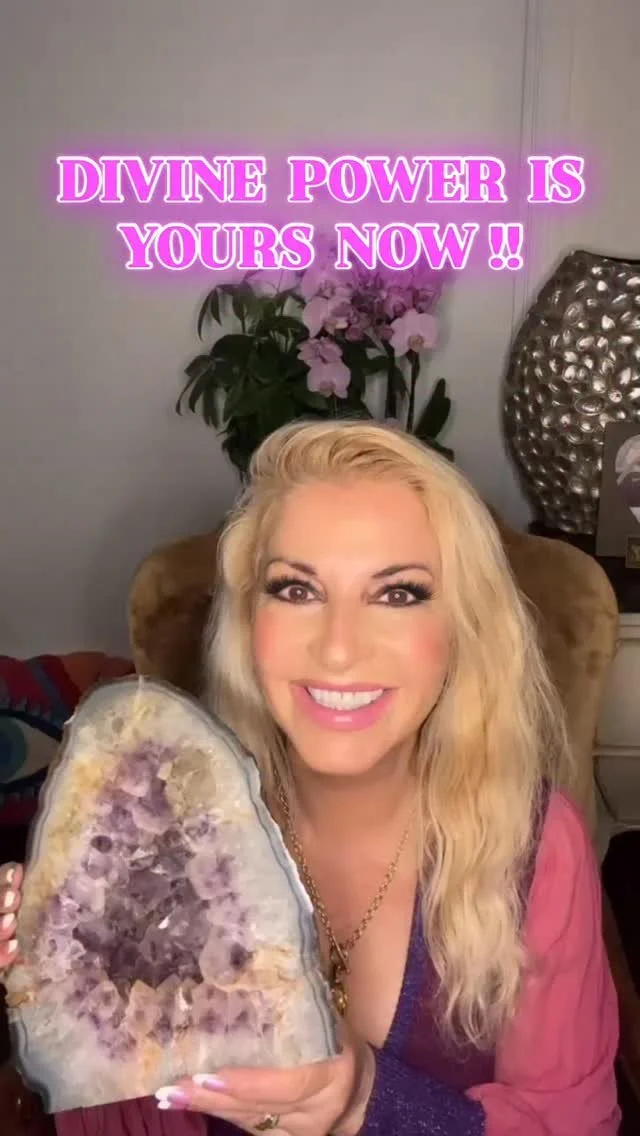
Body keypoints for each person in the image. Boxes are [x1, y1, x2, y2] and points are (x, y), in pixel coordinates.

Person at [0, 420, 621, 1134]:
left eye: (398, 594)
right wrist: (68, 998)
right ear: (248, 622)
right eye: (296, 590)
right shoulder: (169, 836)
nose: (337, 649)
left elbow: (572, 1124)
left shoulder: (536, 848)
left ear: (461, 631)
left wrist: (367, 1100)